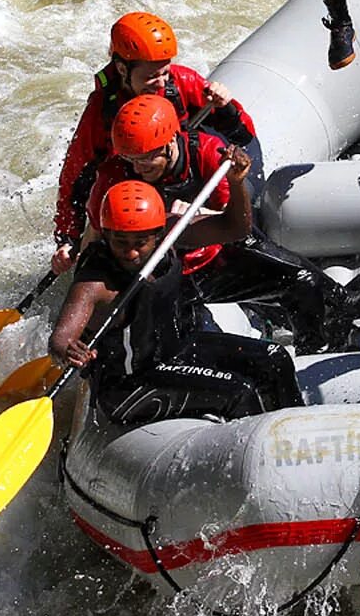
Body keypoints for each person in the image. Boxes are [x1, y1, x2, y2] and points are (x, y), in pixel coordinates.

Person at [82, 95, 360, 353]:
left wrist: (206, 204)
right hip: (160, 276)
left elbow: (234, 226)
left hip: (209, 256)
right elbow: (99, 243)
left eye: (147, 158)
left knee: (302, 282)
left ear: (169, 143)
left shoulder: (204, 153)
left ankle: (316, 345)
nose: (138, 167)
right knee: (180, 345)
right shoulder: (111, 179)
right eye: (131, 159)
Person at [51, 155, 303, 427]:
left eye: (141, 242)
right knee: (239, 391)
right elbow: (61, 338)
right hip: (129, 385)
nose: (131, 251)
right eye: (120, 241)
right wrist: (68, 350)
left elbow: (235, 228)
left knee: (274, 359)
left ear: (158, 233)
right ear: (107, 235)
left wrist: (236, 182)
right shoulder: (94, 283)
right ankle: (262, 451)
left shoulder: (170, 235)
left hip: (177, 351)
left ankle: (296, 434)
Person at [52, 11, 258, 275]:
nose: (160, 83)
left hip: (185, 173)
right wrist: (67, 238)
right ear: (122, 69)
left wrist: (225, 107)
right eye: (151, 77)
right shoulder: (101, 112)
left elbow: (244, 136)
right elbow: (75, 178)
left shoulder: (179, 82)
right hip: (136, 190)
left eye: (164, 72)